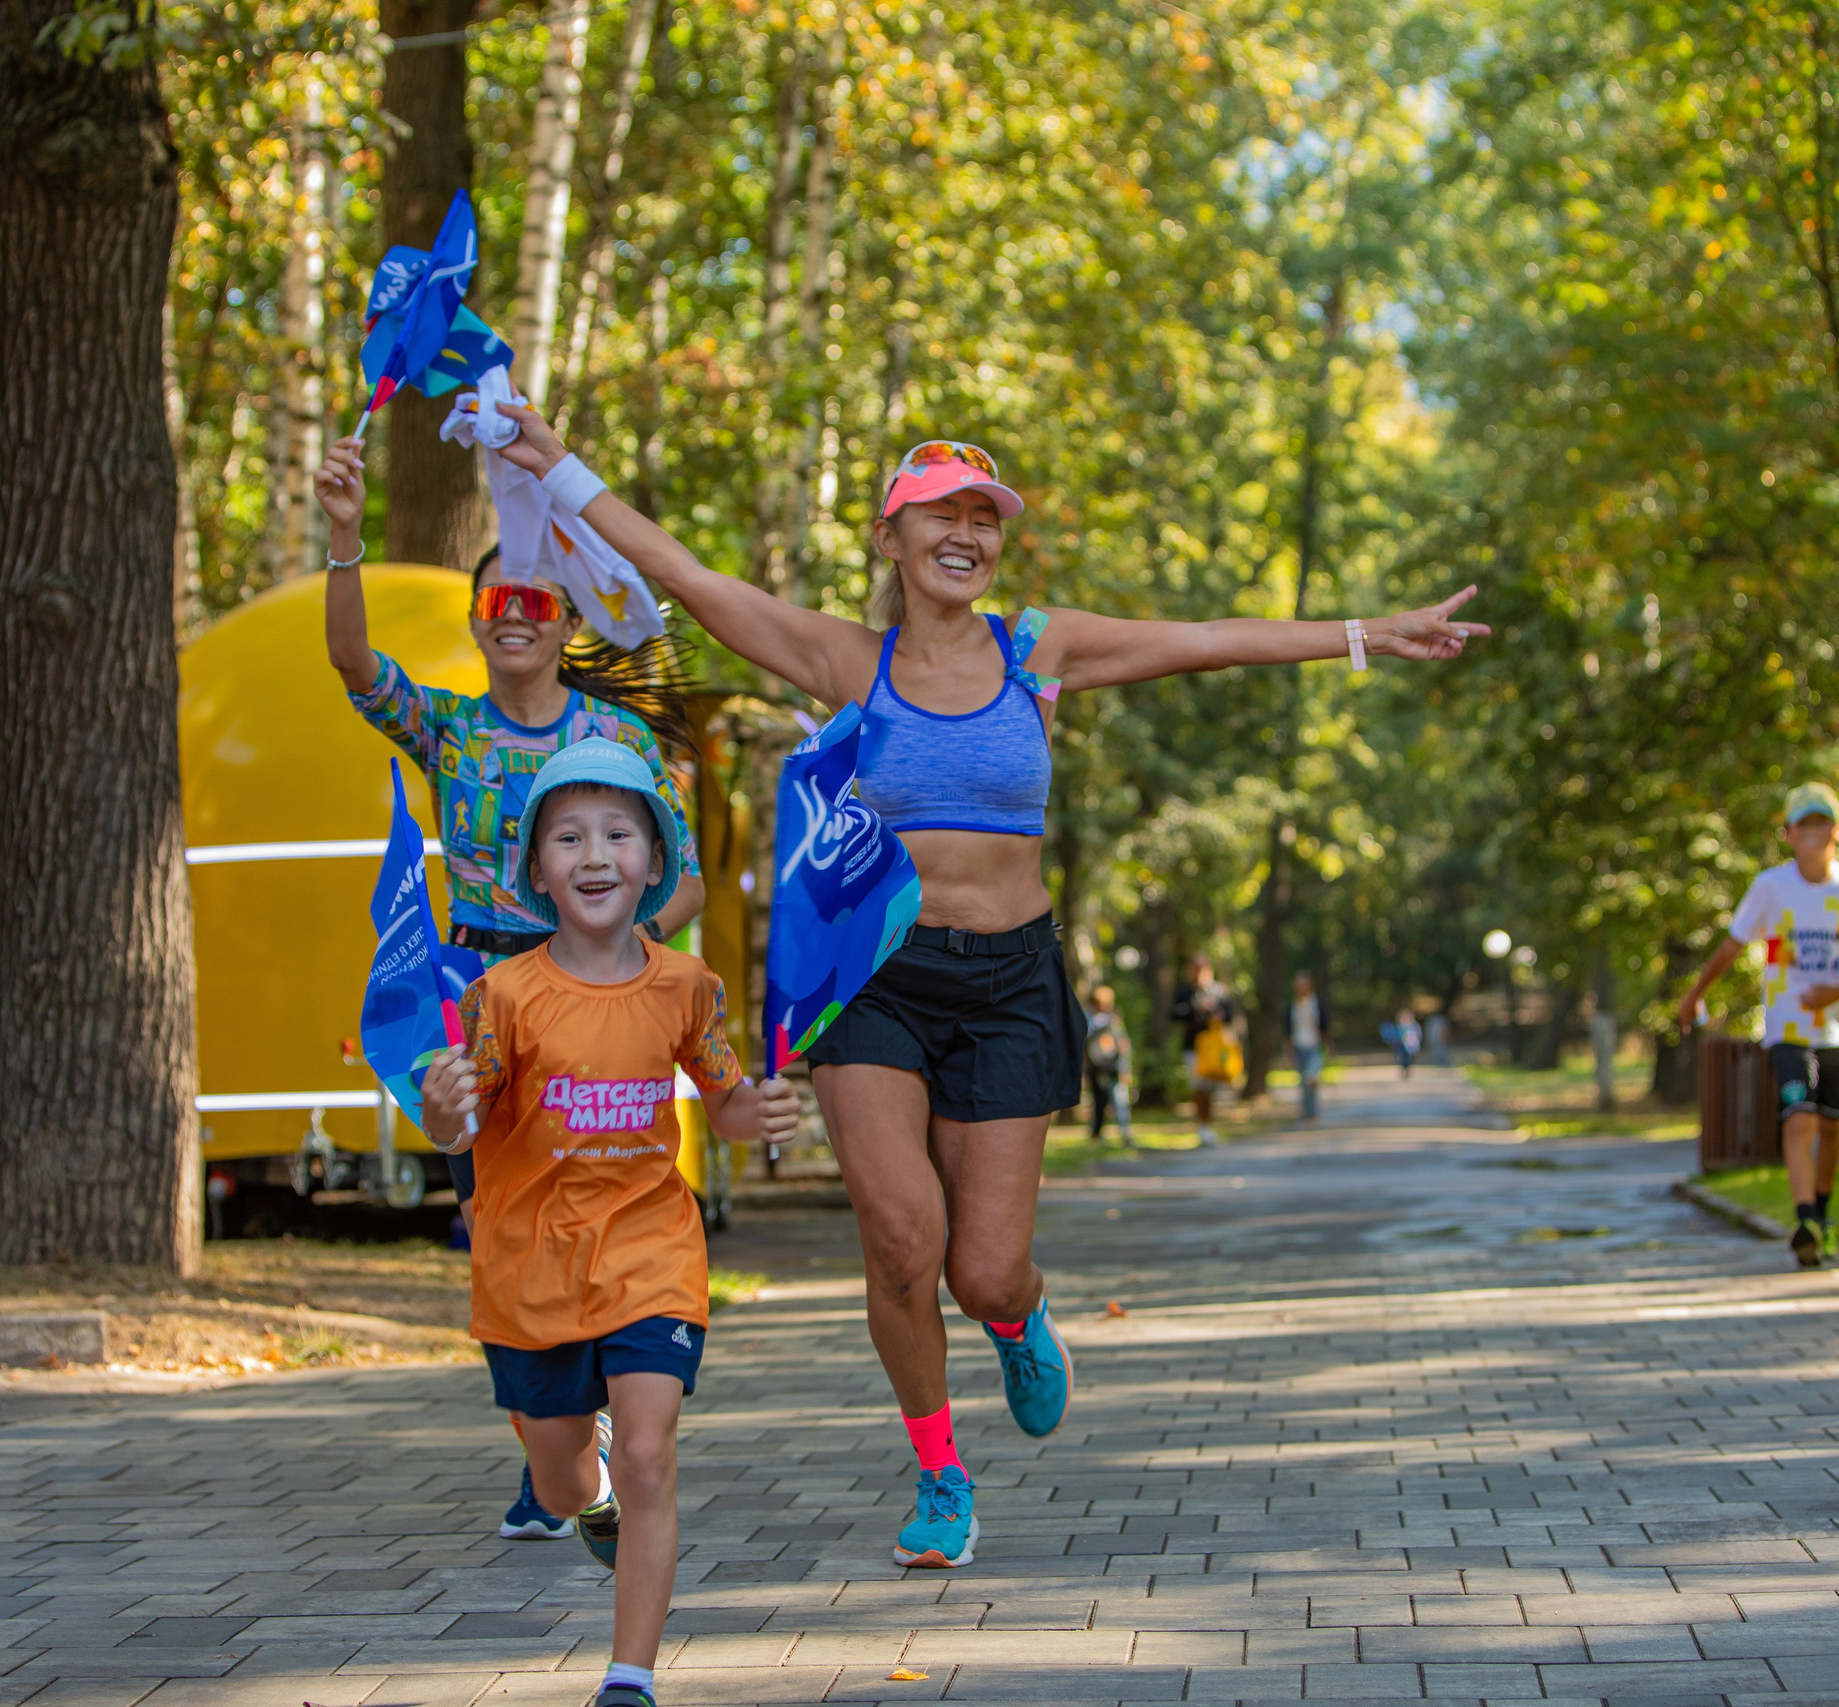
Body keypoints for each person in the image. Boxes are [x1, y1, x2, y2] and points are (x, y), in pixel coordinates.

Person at [482, 411, 1483, 1570]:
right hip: (876, 981)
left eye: (981, 518)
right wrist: (554, 466)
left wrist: (1370, 633)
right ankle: (940, 1471)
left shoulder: (1036, 648)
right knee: (902, 1241)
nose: (964, 534)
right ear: (890, 538)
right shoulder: (845, 659)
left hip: (1011, 981)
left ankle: (1015, 1317)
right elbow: (685, 574)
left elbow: (1208, 635)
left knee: (982, 1266)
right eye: (939, 516)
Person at [314, 434, 707, 1541]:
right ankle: (553, 1446)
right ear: (480, 620)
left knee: (607, 1205)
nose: (518, 613)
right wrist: (345, 537)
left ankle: (612, 1431)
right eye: (499, 601)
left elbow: (683, 884)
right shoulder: (448, 727)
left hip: (602, 1016)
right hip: (479, 1008)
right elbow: (353, 665)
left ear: (569, 620)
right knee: (498, 1219)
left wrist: (629, 958)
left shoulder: (614, 737)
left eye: (540, 595)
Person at [422, 739, 800, 1707]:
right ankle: (576, 1488)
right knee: (559, 1485)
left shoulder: (686, 986)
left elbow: (721, 1098)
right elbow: (458, 1122)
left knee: (646, 1451)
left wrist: (756, 1113)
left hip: (650, 1252)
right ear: (537, 870)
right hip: (530, 1269)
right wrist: (440, 1103)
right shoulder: (502, 998)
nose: (594, 855)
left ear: (654, 860)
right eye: (568, 837)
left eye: (617, 833)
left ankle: (628, 1678)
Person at [1674, 781, 1839, 1269]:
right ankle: (1805, 1218)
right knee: (1800, 1117)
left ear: (1838, 829)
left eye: (1820, 823)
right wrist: (1695, 994)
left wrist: (1834, 993)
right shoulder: (1772, 888)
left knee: (1831, 1128)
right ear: (1787, 834)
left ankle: (1824, 1216)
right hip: (1789, 1028)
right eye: (1802, 824)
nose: (1812, 833)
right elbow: (1732, 944)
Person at [1172, 954, 1240, 1145]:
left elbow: (1228, 1017)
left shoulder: (1219, 991)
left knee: (1211, 1087)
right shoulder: (1185, 992)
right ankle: (1202, 1126)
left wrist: (1213, 1011)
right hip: (1194, 1047)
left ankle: (1208, 1124)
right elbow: (1175, 1014)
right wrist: (1194, 1008)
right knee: (1198, 1087)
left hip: (1214, 1048)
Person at [1082, 984, 1134, 1145]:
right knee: (1098, 1100)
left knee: (1120, 1099)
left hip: (1114, 1065)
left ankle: (1125, 1134)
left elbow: (1123, 1043)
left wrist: (1125, 1068)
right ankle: (1096, 1134)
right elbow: (1082, 1045)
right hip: (1095, 1066)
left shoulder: (1113, 1019)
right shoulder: (1086, 1019)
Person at [1287, 973, 1328, 1119]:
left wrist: (1328, 1044)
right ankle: (1307, 1111)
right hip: (1298, 1044)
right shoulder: (1293, 1004)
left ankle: (1312, 1109)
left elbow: (1324, 1025)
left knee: (1311, 1077)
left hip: (1314, 1044)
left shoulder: (1316, 1002)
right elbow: (1288, 1028)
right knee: (1303, 1081)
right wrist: (1288, 1050)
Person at [1393, 1006, 1422, 1079]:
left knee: (1410, 1060)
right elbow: (1397, 1036)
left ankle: (1407, 1071)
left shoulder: (1414, 1026)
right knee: (1402, 1059)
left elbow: (1419, 1035)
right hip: (1402, 1047)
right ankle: (1404, 1071)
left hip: (1412, 1047)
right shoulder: (1401, 1027)